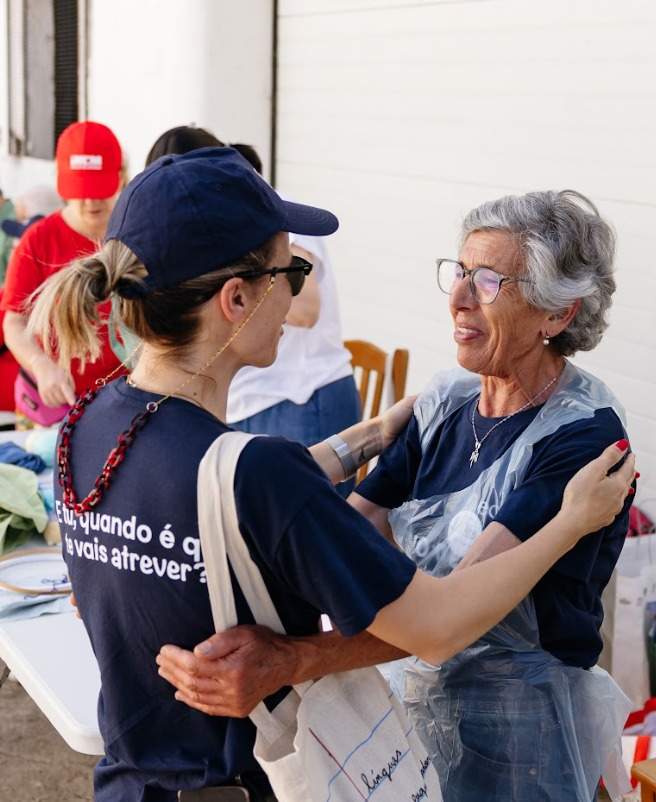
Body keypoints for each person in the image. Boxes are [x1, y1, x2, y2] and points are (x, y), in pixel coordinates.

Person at [28, 153, 634, 802]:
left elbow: (304, 518)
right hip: (241, 782)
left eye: (485, 281)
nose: (297, 293)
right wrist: (570, 521)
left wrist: (374, 434)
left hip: (132, 782)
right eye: (290, 271)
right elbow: (436, 619)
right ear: (236, 300)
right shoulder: (257, 468)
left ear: (557, 314)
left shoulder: (87, 429)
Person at [144, 125, 360, 496]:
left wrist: (241, 287)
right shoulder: (208, 228)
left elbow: (306, 308)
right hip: (244, 400)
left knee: (301, 545)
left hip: (301, 399)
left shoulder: (275, 212)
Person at [1, 121, 126, 428]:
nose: (90, 202)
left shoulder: (137, 235)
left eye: (99, 189)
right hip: (56, 404)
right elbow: (13, 321)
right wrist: (40, 364)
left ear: (121, 177)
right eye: (81, 190)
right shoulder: (37, 240)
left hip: (127, 399)